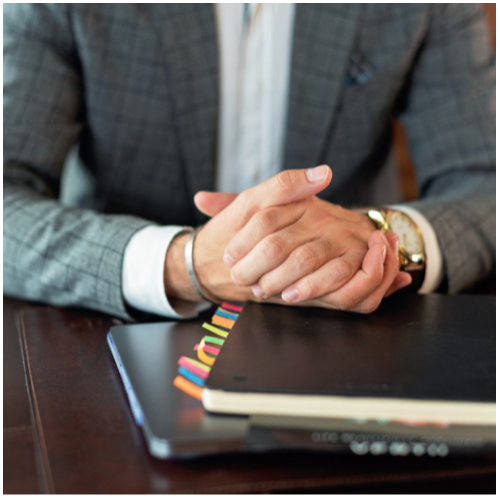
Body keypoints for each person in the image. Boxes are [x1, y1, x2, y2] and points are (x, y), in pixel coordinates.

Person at [4, 4, 495, 320]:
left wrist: (380, 238)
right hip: (111, 321)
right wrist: (182, 264)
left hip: (350, 325)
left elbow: (485, 181)